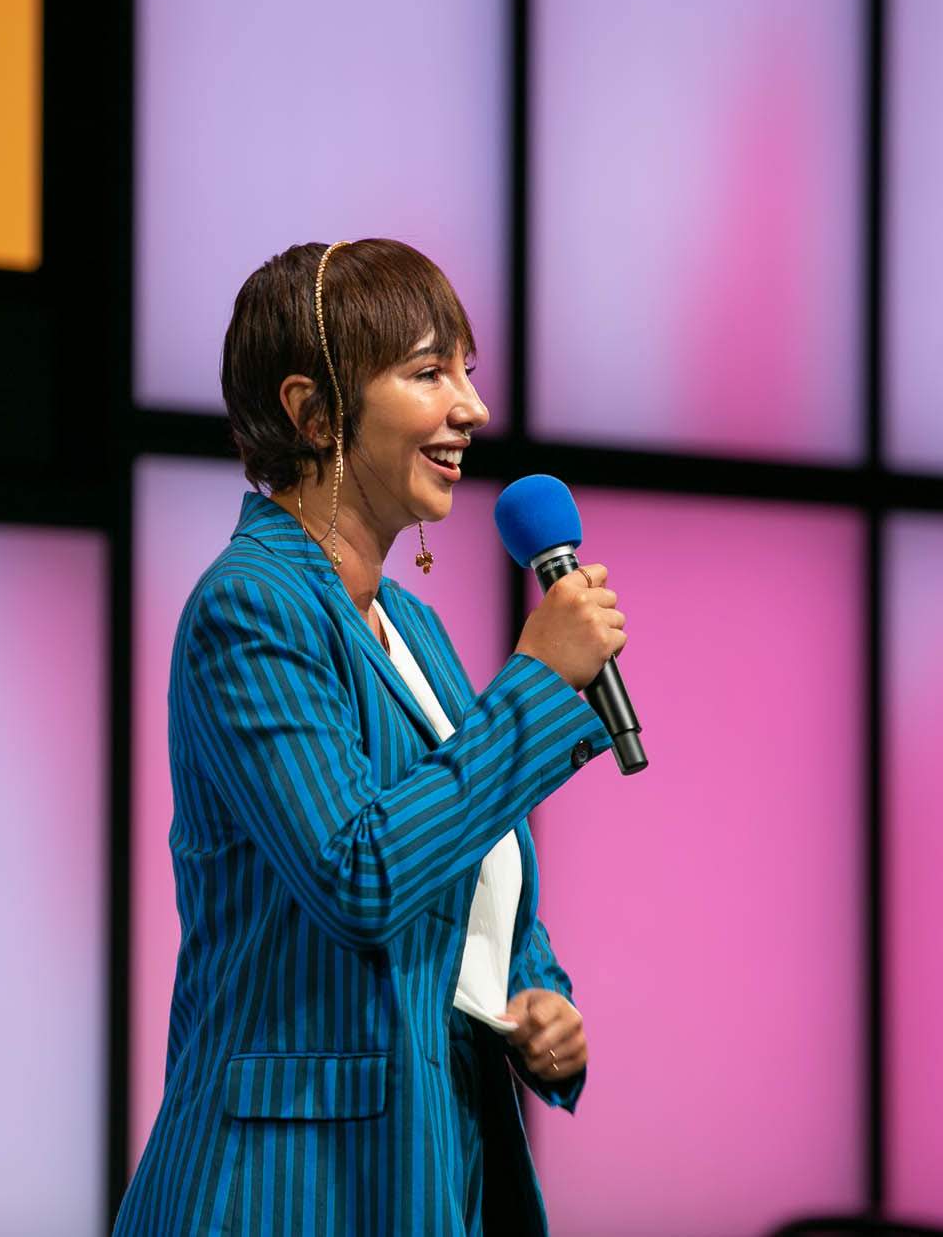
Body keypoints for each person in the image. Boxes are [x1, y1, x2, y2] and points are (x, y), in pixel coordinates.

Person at [112, 239, 628, 1236]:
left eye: (466, 374)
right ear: (312, 411)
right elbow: (361, 872)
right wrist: (531, 684)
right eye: (429, 372)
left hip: (426, 1170)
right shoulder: (248, 608)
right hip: (282, 1191)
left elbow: (460, 867)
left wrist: (530, 995)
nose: (469, 409)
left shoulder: (415, 629)